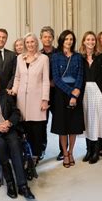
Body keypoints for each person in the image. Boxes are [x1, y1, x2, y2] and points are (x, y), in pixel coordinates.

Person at [10, 33, 50, 163]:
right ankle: (26, 154)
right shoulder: (20, 58)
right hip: (21, 99)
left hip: (37, 99)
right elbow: (17, 77)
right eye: (27, 42)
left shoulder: (43, 58)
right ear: (25, 44)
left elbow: (45, 81)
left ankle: (36, 155)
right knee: (24, 128)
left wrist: (45, 99)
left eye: (32, 42)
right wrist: (14, 91)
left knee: (37, 129)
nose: (30, 44)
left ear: (36, 43)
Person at [51, 30, 84, 168]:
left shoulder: (77, 57)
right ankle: (64, 153)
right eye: (66, 39)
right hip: (60, 95)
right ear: (62, 41)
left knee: (73, 126)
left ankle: (71, 152)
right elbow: (56, 79)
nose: (69, 41)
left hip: (76, 93)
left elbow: (80, 75)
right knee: (62, 127)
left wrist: (75, 94)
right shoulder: (55, 56)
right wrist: (71, 92)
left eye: (71, 39)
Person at [80, 32, 102, 164]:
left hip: (98, 91)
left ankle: (96, 151)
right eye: (88, 39)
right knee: (87, 120)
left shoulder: (101, 57)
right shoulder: (80, 57)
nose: (91, 42)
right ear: (84, 42)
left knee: (96, 120)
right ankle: (88, 150)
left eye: (92, 39)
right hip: (85, 92)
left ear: (95, 42)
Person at [40, 26, 62, 160]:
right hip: (43, 94)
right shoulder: (38, 54)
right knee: (43, 122)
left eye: (50, 37)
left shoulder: (59, 53)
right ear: (41, 38)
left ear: (53, 39)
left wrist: (55, 81)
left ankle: (62, 149)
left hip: (57, 92)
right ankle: (42, 148)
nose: (47, 39)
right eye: (45, 37)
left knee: (59, 121)